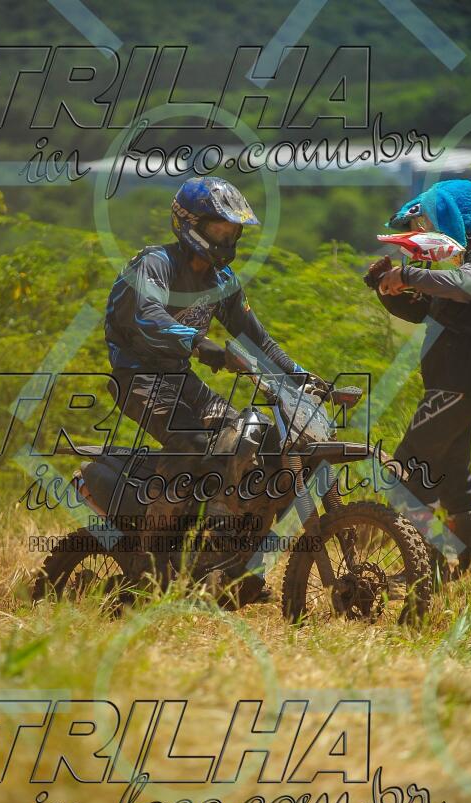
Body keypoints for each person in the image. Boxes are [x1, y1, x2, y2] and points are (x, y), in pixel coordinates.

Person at [104, 176, 326, 597]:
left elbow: (258, 340)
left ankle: (228, 560)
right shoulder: (154, 264)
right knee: (189, 442)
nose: (227, 239)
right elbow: (147, 316)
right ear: (190, 224)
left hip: (180, 379)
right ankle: (149, 561)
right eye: (219, 229)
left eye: (233, 231)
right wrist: (201, 344)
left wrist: (303, 377)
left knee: (250, 441)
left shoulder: (222, 279)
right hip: (138, 376)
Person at [369, 178, 471, 574]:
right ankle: (470, 564)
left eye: (431, 224)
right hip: (452, 385)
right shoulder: (457, 262)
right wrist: (386, 289)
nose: (426, 232)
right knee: (453, 477)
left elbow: (465, 287)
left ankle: (426, 569)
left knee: (404, 477)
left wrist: (408, 276)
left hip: (458, 384)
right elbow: (425, 311)